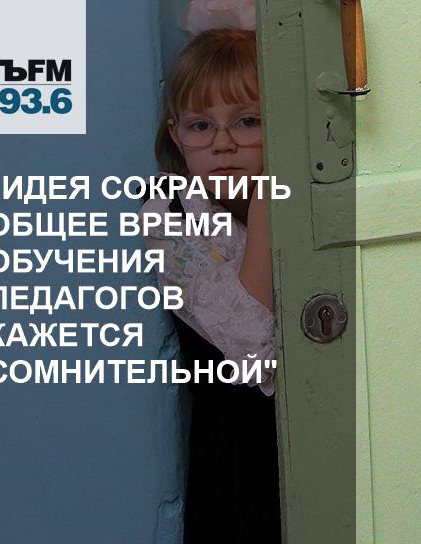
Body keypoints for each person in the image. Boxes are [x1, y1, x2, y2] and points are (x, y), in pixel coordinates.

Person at [139, 27, 281, 543]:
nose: (223, 143)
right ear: (177, 135)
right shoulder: (168, 212)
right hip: (239, 453)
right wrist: (265, 206)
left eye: (248, 121)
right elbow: (252, 345)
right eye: (201, 125)